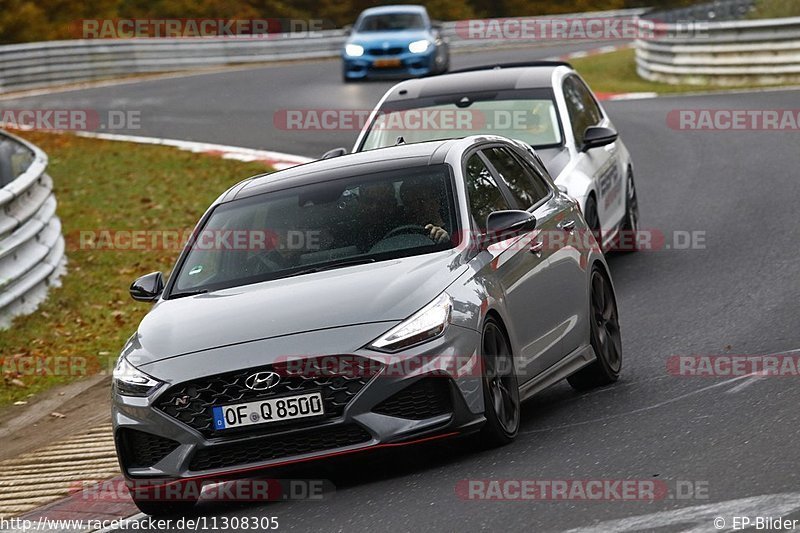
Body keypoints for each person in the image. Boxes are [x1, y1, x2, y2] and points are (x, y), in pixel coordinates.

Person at [399, 176, 450, 244]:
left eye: (421, 201)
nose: (415, 207)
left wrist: (447, 241)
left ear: (436, 202)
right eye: (409, 203)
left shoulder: (457, 229)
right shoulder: (401, 237)